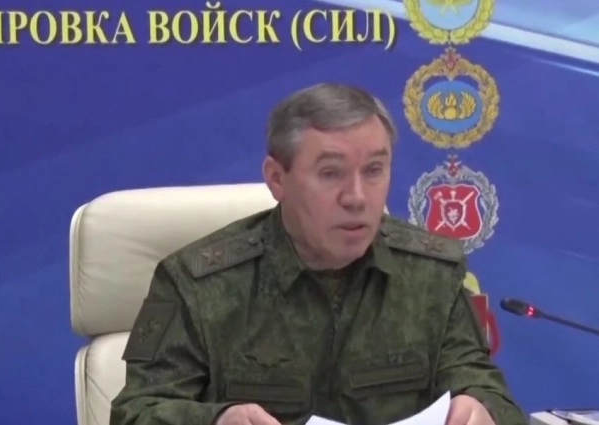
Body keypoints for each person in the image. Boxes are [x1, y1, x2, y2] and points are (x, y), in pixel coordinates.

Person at [109, 83, 526, 425]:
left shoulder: (432, 272)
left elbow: (487, 389)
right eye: (331, 173)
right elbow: (135, 414)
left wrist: (481, 409)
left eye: (374, 170)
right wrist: (217, 421)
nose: (357, 197)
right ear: (277, 178)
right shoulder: (196, 283)